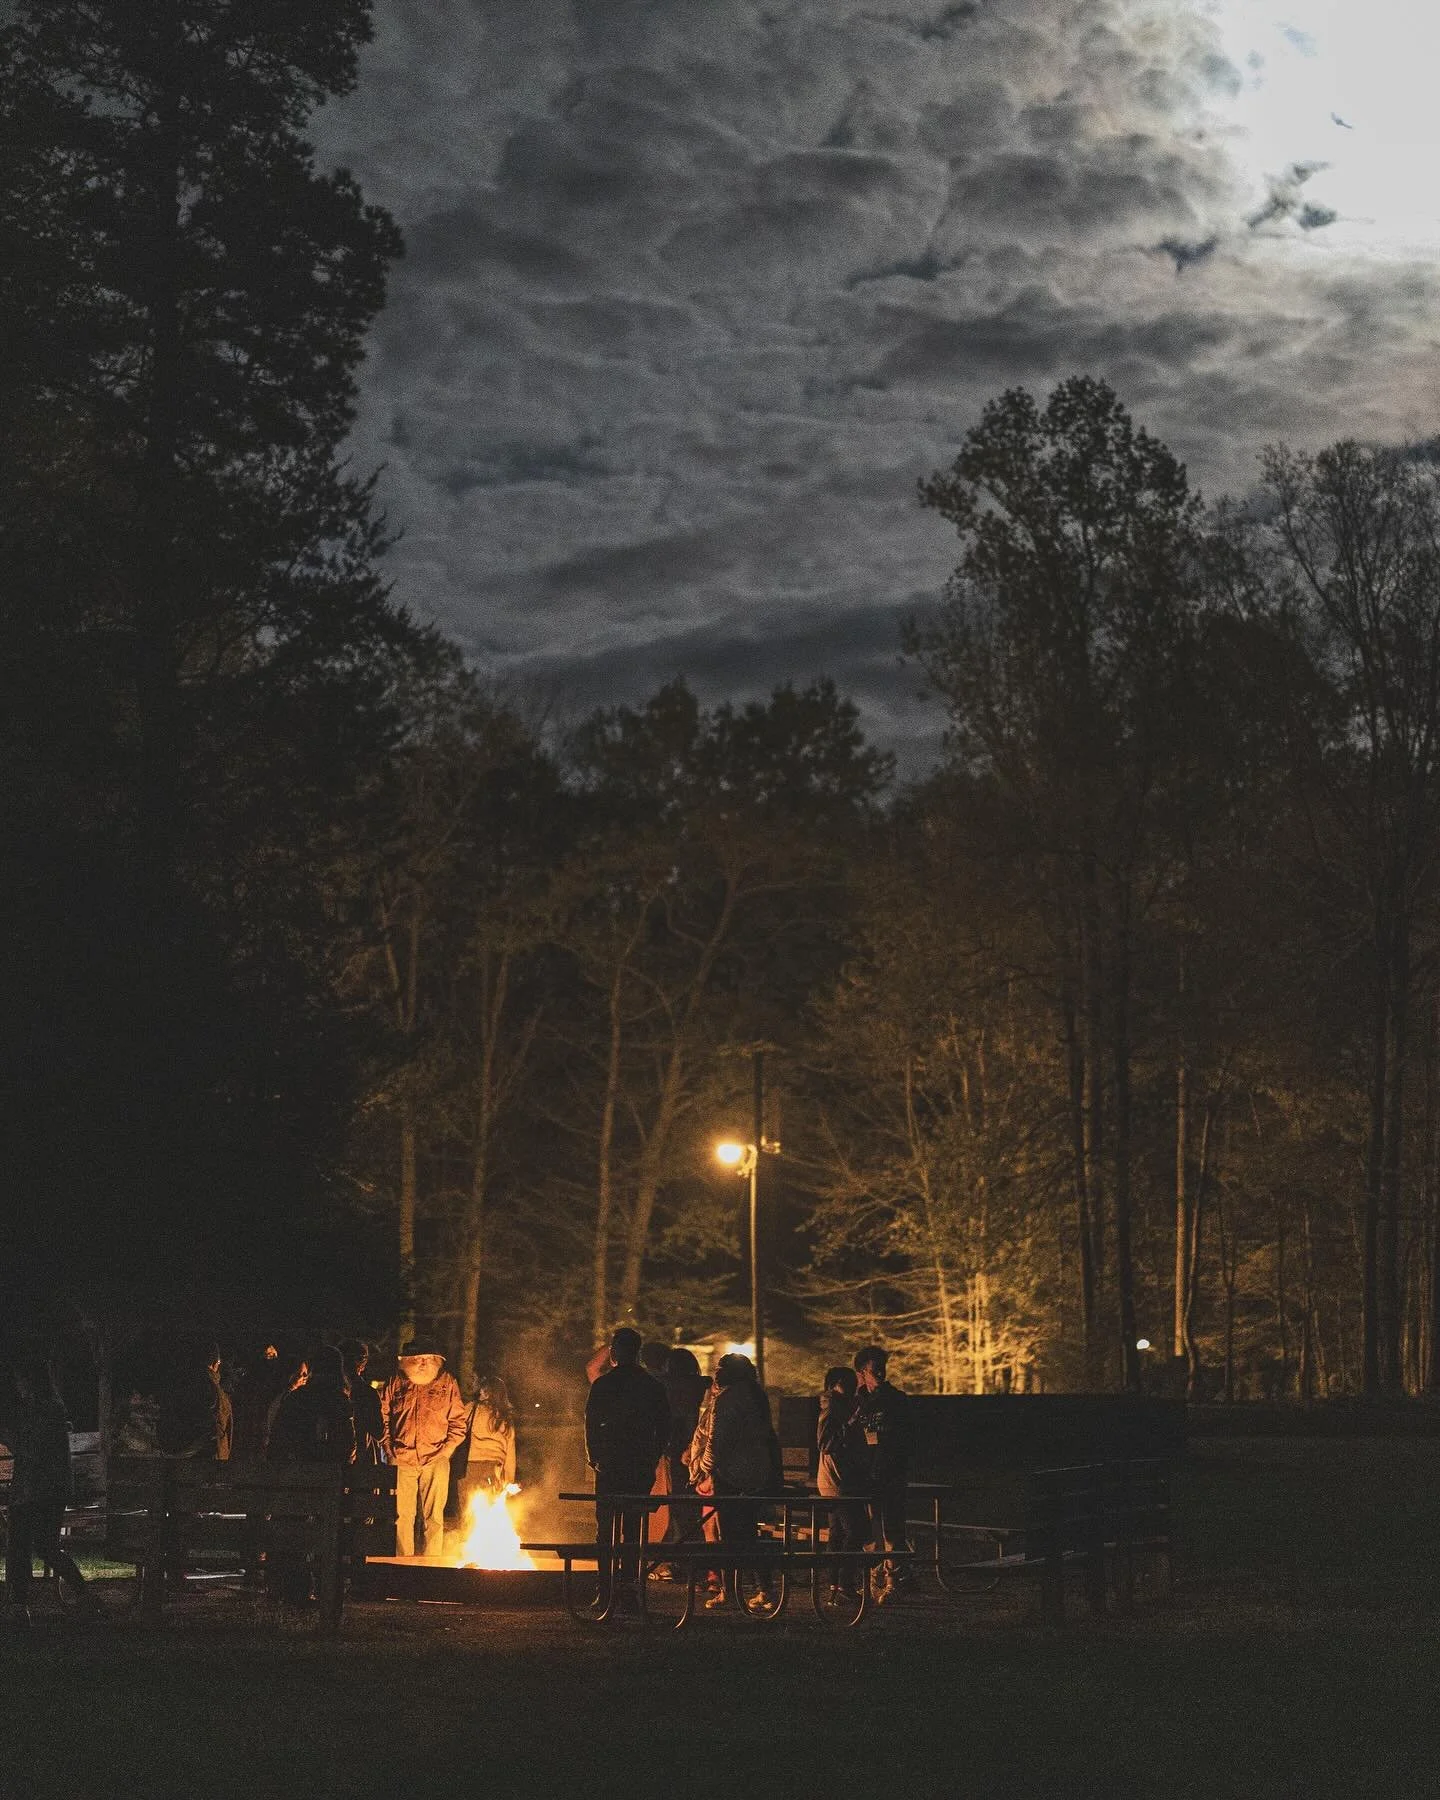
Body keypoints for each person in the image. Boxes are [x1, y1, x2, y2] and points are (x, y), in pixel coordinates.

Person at [2, 1357, 97, 1627]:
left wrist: (7, 1434)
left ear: (31, 1382)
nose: (19, 1386)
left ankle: (19, 1606)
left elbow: (27, 1447)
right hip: (51, 1490)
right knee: (45, 1546)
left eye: (22, 1380)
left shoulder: (42, 1410)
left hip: (36, 1490)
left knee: (20, 1545)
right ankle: (83, 1595)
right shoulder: (51, 1408)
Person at [584, 1328, 669, 1608]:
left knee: (606, 1530)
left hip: (610, 1466)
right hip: (638, 1467)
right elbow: (664, 1428)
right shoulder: (651, 1386)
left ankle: (605, 1590)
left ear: (615, 1352)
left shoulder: (605, 1385)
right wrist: (652, 1457)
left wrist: (595, 1458)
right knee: (633, 1529)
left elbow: (591, 1425)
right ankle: (630, 1589)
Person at [265, 1343, 356, 1603]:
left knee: (289, 1523)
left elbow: (277, 1446)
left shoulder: (296, 1399)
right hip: (328, 1491)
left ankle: (292, 1588)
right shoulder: (340, 1401)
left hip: (295, 1487)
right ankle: (329, 1587)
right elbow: (347, 1449)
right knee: (330, 1526)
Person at [697, 1352, 780, 1609]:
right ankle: (764, 1589)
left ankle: (730, 1593)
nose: (716, 1372)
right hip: (755, 1474)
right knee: (749, 1535)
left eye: (721, 1367)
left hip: (730, 1475)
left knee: (730, 1537)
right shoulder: (757, 1396)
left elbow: (716, 1440)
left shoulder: (727, 1399)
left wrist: (702, 1467)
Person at [379, 1340, 468, 1557]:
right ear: (406, 1361)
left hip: (436, 1459)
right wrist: (390, 1450)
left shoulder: (448, 1383)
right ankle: (404, 1567)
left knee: (434, 1518)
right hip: (402, 1459)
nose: (421, 1363)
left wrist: (445, 1452)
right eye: (416, 1359)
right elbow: (382, 1418)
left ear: (437, 1361)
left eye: (427, 1359)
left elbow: (458, 1422)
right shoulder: (395, 1383)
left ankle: (431, 1569)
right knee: (401, 1517)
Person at [853, 1344, 912, 1599]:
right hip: (866, 1475)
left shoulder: (896, 1401)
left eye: (882, 1369)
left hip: (889, 1472)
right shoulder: (857, 1403)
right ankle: (877, 1575)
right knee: (872, 1528)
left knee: (892, 1528)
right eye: (874, 1370)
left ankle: (893, 1580)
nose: (880, 1375)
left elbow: (906, 1437)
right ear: (861, 1373)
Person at [817, 1365, 867, 1599]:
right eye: (847, 1383)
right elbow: (825, 1444)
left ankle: (835, 1585)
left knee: (837, 1533)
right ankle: (845, 1584)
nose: (852, 1387)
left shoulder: (840, 1405)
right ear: (835, 1384)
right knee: (856, 1531)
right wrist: (850, 1425)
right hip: (839, 1480)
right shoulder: (832, 1407)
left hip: (835, 1479)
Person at [157, 1340, 233, 1461]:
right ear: (214, 1362)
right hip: (201, 1456)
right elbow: (203, 1421)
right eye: (218, 1362)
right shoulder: (204, 1384)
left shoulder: (182, 1381)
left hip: (189, 1453)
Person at [459, 1374, 517, 1519]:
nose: (480, 1392)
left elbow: (456, 1430)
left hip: (470, 1468)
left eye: (483, 1389)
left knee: (469, 1514)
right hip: (494, 1470)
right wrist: (508, 1481)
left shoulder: (471, 1409)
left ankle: (467, 1539)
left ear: (488, 1392)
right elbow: (510, 1453)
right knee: (489, 1515)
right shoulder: (505, 1418)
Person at [339, 1340, 384, 1466]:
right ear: (362, 1364)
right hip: (363, 1462)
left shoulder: (328, 1392)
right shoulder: (368, 1394)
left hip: (335, 1463)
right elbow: (379, 1432)